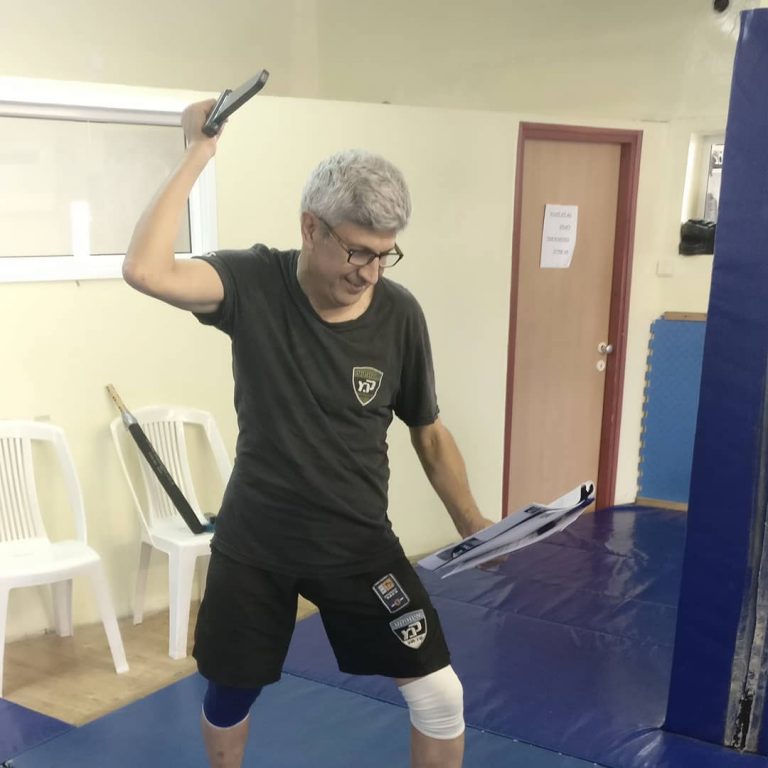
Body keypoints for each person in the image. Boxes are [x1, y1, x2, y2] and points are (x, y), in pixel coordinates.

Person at [122, 99, 492, 768]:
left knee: (441, 695)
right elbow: (146, 270)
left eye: (385, 254)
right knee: (229, 693)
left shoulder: (400, 314)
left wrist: (475, 527)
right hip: (256, 543)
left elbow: (429, 433)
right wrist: (198, 153)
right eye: (357, 251)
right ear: (310, 227)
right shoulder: (251, 282)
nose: (370, 271)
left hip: (357, 542)